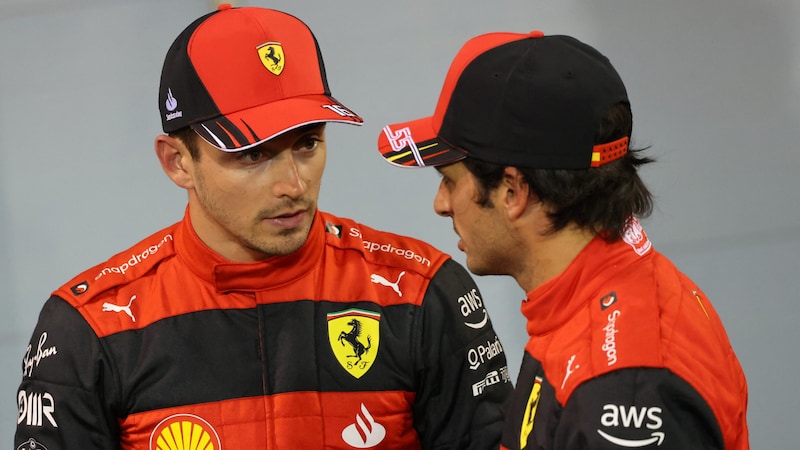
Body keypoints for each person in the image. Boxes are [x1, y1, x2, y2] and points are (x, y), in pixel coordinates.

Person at [15, 5, 513, 449]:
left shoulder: (423, 293)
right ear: (177, 162)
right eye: (252, 154)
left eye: (308, 144)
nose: (292, 184)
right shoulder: (89, 326)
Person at [376, 30, 749, 449]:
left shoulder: (622, 388)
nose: (441, 204)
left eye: (449, 181)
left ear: (513, 192)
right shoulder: (584, 302)